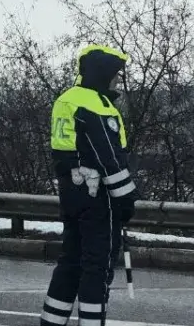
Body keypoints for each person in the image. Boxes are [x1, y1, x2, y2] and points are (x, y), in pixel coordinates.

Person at [39, 44, 139, 326]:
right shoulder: (95, 104)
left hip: (72, 194)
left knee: (71, 262)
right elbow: (108, 157)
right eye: (114, 75)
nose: (116, 80)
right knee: (98, 267)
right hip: (99, 199)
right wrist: (126, 199)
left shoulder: (67, 99)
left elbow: (68, 153)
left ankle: (51, 322)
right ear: (102, 73)